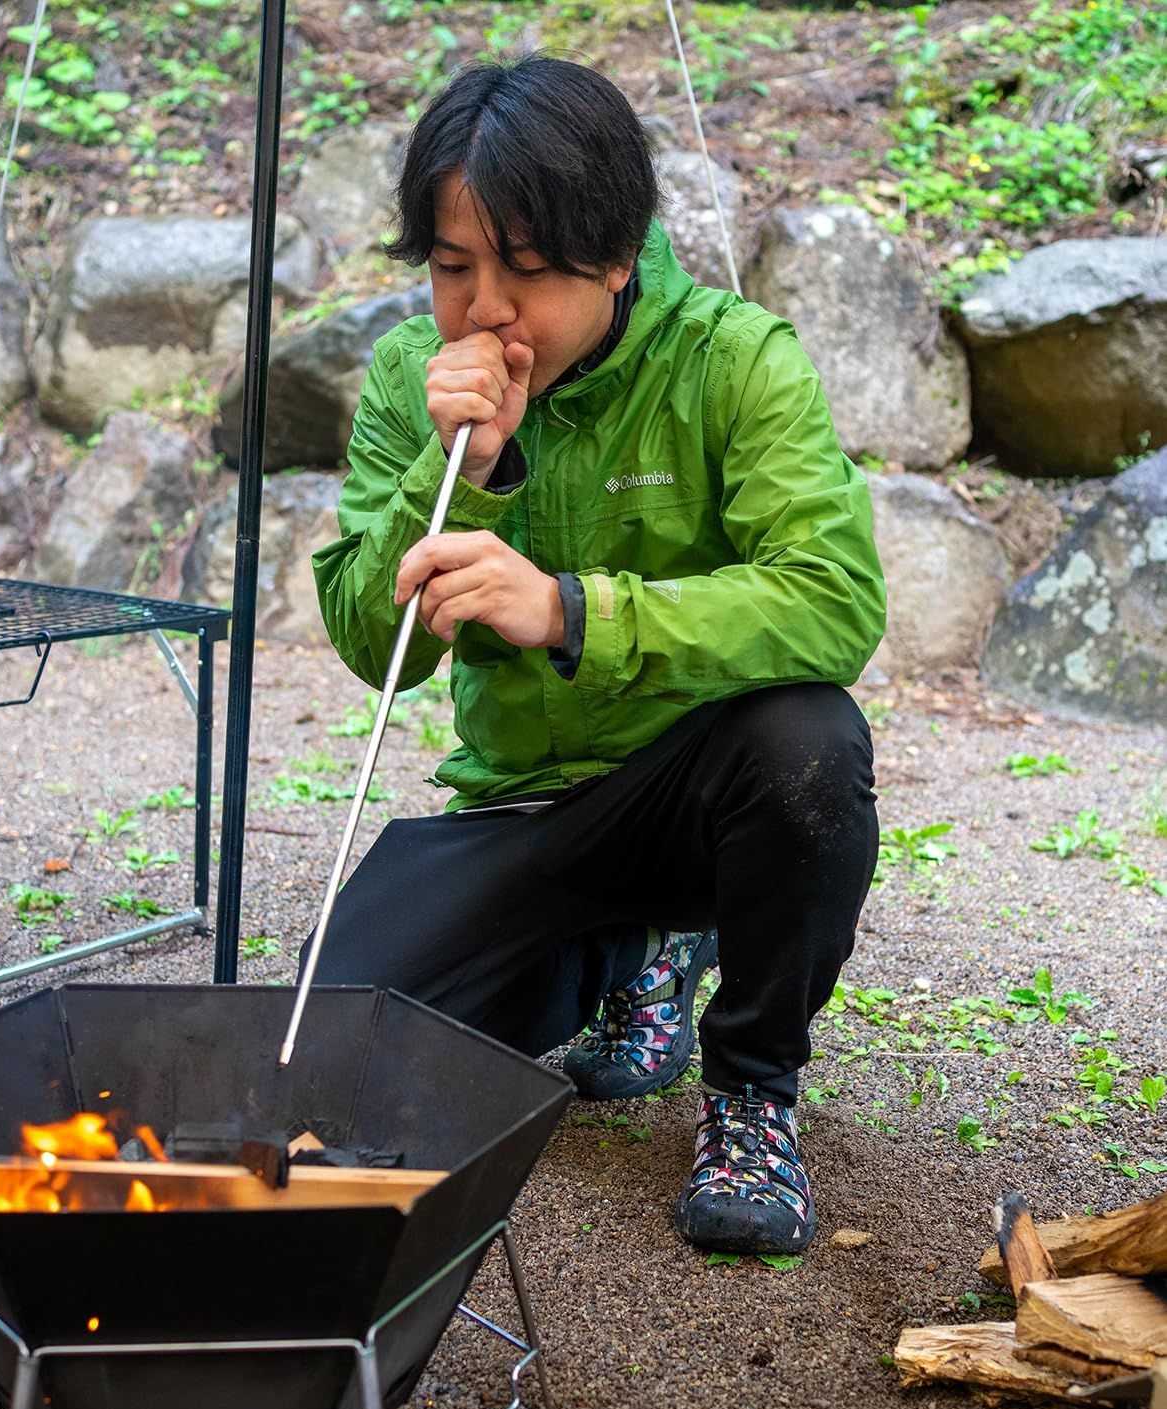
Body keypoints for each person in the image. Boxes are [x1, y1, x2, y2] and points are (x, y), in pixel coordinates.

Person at [303, 54, 884, 1256]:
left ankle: (751, 1091)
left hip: (691, 794)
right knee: (342, 1052)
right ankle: (631, 957)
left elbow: (835, 602)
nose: (485, 312)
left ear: (615, 258)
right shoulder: (415, 387)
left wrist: (573, 611)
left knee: (809, 744)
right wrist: (450, 467)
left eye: (524, 271)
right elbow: (375, 647)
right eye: (452, 269)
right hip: (524, 811)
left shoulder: (732, 359)